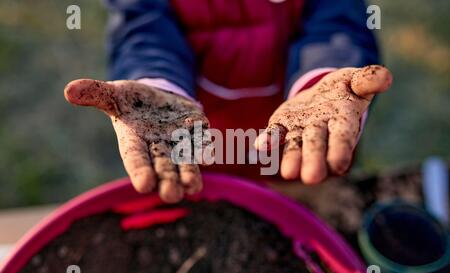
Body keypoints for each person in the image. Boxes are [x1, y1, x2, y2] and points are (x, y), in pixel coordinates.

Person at [64, 0, 392, 203]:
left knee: (302, 202)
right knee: (208, 203)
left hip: (303, 130)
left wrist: (322, 79)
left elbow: (337, 21)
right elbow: (145, 28)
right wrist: (153, 81)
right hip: (196, 132)